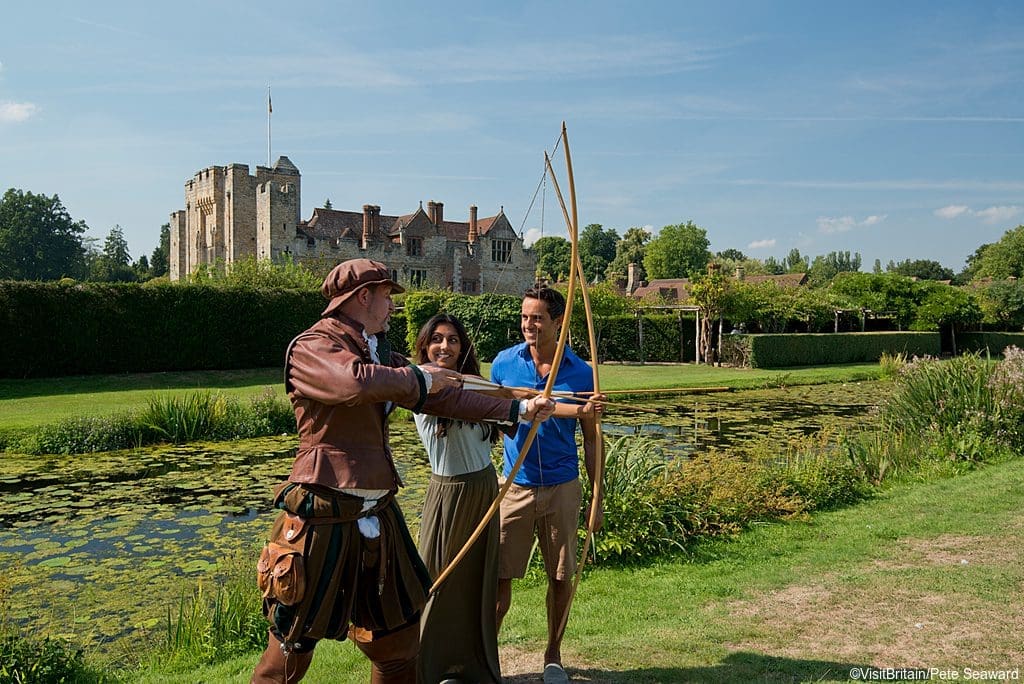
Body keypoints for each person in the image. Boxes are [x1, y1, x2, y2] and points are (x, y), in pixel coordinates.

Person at [251, 259, 555, 684]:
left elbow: (448, 397)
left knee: (398, 645)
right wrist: (423, 380)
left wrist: (517, 409)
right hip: (325, 512)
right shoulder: (313, 347)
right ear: (363, 296)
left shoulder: (379, 354)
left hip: (377, 510)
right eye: (387, 296)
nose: (392, 306)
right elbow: (355, 384)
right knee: (291, 649)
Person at [412, 314, 597, 684]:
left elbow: (519, 400)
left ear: (463, 346)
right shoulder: (421, 384)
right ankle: (429, 668)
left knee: (477, 586)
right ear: (424, 345)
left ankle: (471, 667)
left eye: (452, 340)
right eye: (436, 340)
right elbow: (473, 404)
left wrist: (577, 408)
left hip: (483, 491)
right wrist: (526, 406)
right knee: (439, 581)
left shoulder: (479, 386)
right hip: (449, 493)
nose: (444, 347)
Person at [490, 286, 603, 684]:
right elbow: (495, 417)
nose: (528, 325)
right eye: (524, 317)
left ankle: (553, 655)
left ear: (559, 321)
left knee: (560, 575)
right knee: (500, 577)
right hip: (516, 486)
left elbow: (592, 438)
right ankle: (487, 658)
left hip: (562, 486)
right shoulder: (504, 364)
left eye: (537, 318)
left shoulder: (582, 372)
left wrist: (596, 497)